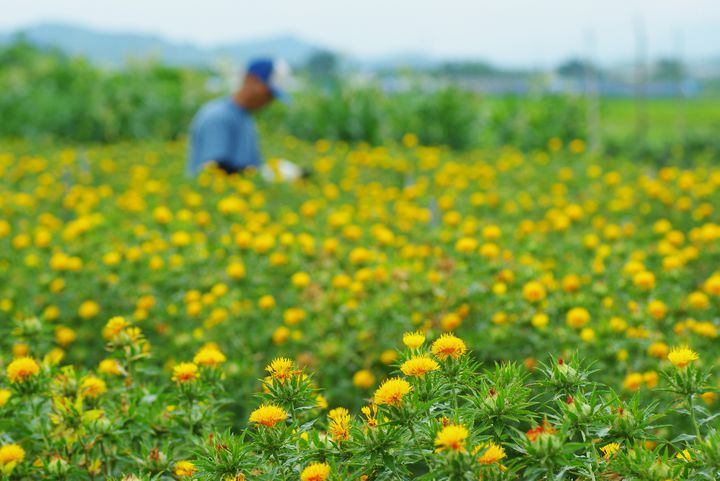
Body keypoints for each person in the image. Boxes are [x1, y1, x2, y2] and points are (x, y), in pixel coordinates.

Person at [187, 58, 293, 177]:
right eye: (268, 94)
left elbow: (250, 166)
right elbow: (212, 170)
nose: (269, 102)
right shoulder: (218, 117)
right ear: (252, 80)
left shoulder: (245, 118)